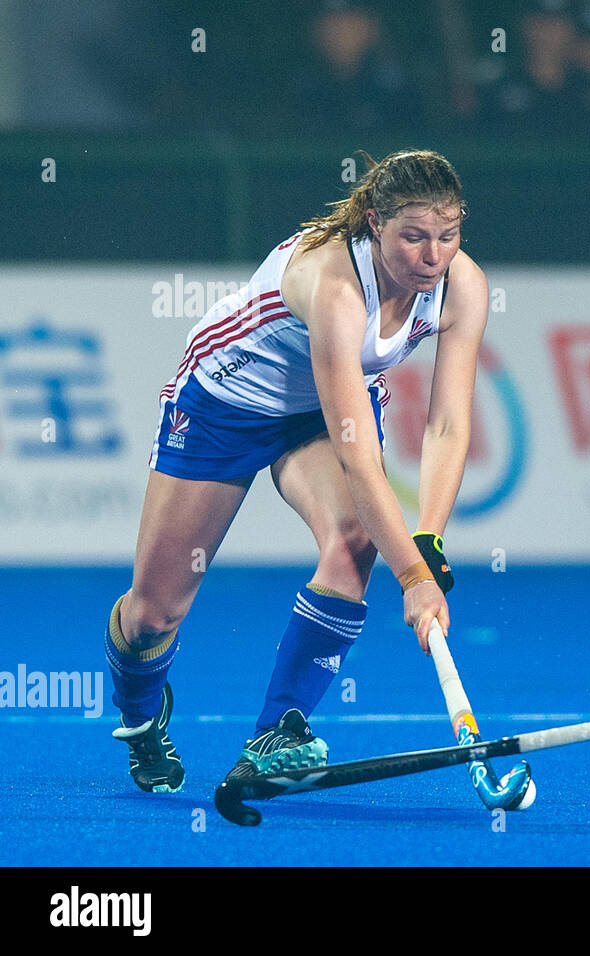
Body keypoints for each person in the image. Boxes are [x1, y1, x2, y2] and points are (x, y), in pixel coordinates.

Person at [105, 149, 486, 793]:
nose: (433, 257)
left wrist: (428, 542)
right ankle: (142, 722)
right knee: (153, 615)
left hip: (321, 411)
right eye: (414, 237)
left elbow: (448, 423)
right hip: (228, 402)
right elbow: (360, 456)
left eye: (447, 237)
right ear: (373, 224)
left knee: (356, 540)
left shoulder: (462, 286)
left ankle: (277, 732)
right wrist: (414, 579)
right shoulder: (337, 285)